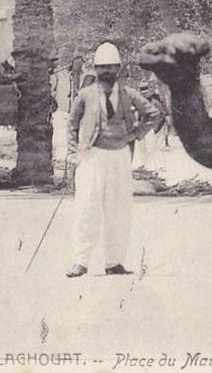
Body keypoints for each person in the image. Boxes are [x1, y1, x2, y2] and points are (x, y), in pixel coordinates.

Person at [65, 42, 162, 277]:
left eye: (111, 67)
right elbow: (71, 123)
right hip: (92, 157)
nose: (107, 71)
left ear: (118, 68)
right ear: (95, 70)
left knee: (119, 210)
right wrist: (73, 152)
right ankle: (81, 261)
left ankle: (114, 262)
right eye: (102, 67)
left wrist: (136, 133)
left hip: (120, 157)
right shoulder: (86, 95)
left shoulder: (129, 94)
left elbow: (154, 113)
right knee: (86, 207)